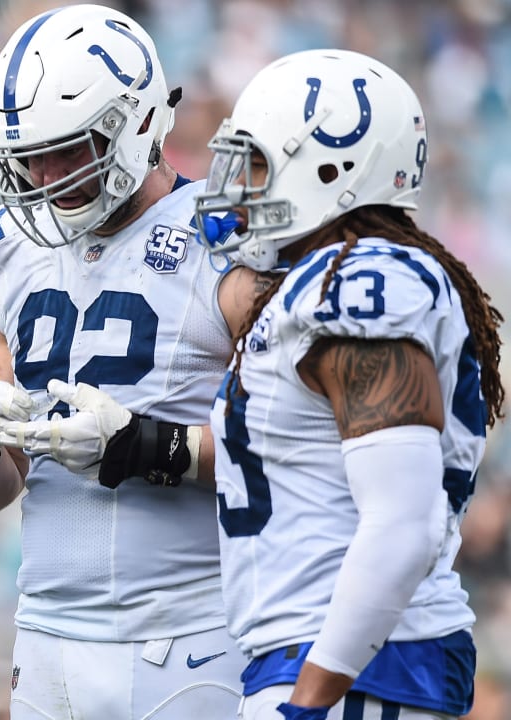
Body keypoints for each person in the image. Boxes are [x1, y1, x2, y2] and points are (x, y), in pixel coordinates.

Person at [0, 5, 274, 718]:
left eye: (70, 148)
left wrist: (152, 446)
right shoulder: (8, 250)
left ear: (137, 123)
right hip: (45, 636)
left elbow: (299, 447)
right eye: (30, 155)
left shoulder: (229, 241)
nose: (46, 177)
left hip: (192, 630)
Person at [194, 49, 502, 719]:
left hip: (362, 665)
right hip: (334, 656)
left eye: (256, 163)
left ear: (330, 168)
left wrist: (310, 700)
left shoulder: (362, 282)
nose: (238, 187)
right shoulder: (321, 279)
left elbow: (402, 524)